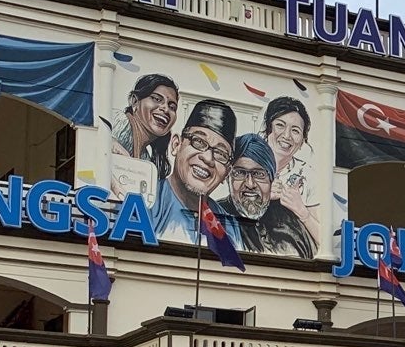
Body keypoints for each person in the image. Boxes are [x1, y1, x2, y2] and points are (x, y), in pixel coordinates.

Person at [150, 99, 238, 245]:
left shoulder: (230, 227)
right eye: (199, 141)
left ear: (227, 172)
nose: (208, 158)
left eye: (220, 153)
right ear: (176, 144)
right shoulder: (147, 204)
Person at [225, 134, 318, 258]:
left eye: (258, 174)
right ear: (227, 177)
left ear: (272, 179)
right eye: (240, 173)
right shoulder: (214, 216)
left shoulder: (292, 223)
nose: (250, 184)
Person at [259, 93, 321, 243]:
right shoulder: (247, 164)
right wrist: (262, 197)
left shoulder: (309, 175)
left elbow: (324, 240)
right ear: (268, 129)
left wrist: (301, 210)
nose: (287, 136)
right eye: (280, 125)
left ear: (302, 140)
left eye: (295, 130)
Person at [114, 73, 177, 178]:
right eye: (157, 99)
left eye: (172, 107)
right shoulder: (119, 120)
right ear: (135, 101)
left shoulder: (145, 158)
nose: (165, 109)